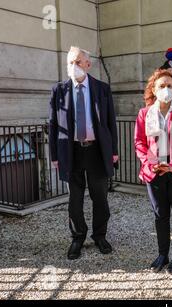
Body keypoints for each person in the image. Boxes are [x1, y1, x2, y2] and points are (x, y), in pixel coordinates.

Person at [49, 46, 119, 260]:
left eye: (78, 62)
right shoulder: (59, 90)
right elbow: (53, 125)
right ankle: (78, 237)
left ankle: (100, 236)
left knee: (100, 198)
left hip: (97, 151)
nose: (74, 66)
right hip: (72, 152)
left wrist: (113, 151)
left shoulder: (101, 88)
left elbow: (110, 122)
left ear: (88, 65)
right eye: (70, 62)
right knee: (75, 199)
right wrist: (54, 155)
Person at [134, 69, 172, 274]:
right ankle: (163, 254)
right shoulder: (145, 113)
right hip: (155, 173)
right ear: (153, 88)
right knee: (160, 215)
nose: (166, 89)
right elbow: (140, 143)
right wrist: (151, 163)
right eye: (162, 86)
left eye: (170, 86)